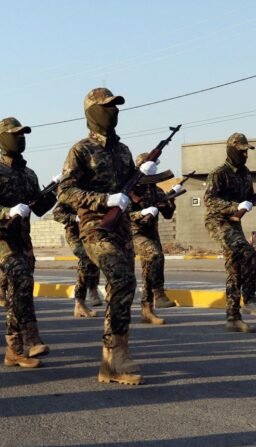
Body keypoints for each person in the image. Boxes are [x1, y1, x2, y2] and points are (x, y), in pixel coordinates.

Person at [58, 88, 157, 386]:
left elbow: (131, 190)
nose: (113, 111)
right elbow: (65, 192)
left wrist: (144, 177)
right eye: (107, 107)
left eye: (115, 107)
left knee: (123, 284)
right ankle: (114, 356)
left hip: (122, 229)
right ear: (92, 112)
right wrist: (105, 200)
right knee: (123, 278)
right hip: (95, 227)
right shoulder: (81, 150)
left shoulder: (123, 150)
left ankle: (113, 357)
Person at [0, 117, 58, 369]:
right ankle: (25, 340)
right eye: (15, 134)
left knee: (22, 287)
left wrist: (55, 190)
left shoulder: (29, 174)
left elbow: (39, 208)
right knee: (20, 277)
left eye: (23, 135)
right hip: (0, 237)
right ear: (3, 138)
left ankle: (19, 345)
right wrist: (6, 211)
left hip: (22, 239)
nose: (20, 138)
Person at [204, 132, 256, 332]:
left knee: (234, 268)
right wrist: (235, 206)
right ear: (231, 150)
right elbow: (209, 200)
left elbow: (249, 198)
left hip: (234, 224)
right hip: (217, 221)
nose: (245, 155)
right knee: (247, 252)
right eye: (242, 151)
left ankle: (233, 318)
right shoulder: (219, 173)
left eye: (247, 151)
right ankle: (250, 299)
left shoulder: (246, 174)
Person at [129, 153, 178, 325]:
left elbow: (168, 214)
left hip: (152, 233)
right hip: (133, 233)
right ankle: (157, 294)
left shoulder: (157, 191)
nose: (154, 168)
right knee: (154, 254)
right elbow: (123, 214)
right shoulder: (130, 189)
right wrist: (141, 213)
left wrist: (171, 198)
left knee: (153, 263)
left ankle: (148, 308)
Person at [52, 203, 102, 317]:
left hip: (91, 233)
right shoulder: (71, 196)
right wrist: (75, 218)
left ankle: (88, 292)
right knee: (87, 258)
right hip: (75, 235)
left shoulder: (94, 195)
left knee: (95, 259)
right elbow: (56, 214)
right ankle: (86, 295)